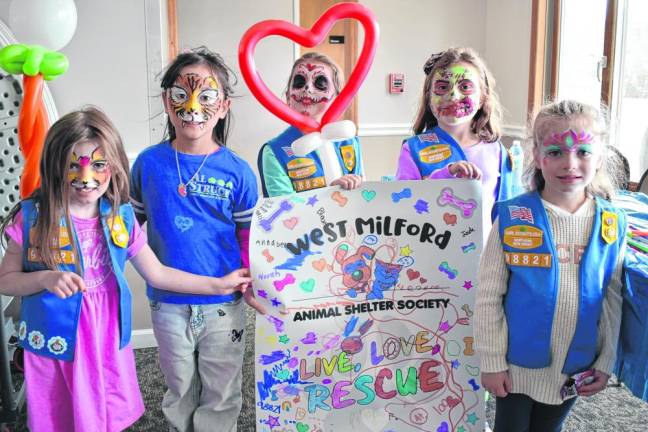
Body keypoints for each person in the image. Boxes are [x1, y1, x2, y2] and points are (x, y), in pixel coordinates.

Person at [0, 107, 255, 432]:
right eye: (72, 166)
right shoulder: (34, 219)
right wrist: (45, 278)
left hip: (103, 337)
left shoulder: (119, 218)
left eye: (99, 164)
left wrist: (218, 285)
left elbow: (158, 274)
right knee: (60, 415)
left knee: (103, 412)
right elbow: (5, 281)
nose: (87, 177)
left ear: (114, 165)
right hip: (57, 341)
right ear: (54, 166)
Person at [129, 47, 261, 432]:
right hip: (168, 304)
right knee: (179, 387)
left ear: (223, 107)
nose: (192, 106)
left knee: (222, 392)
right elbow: (129, 229)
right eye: (180, 94)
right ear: (166, 102)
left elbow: (248, 236)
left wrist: (256, 283)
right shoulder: (149, 165)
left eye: (206, 96)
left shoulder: (238, 172)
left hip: (225, 305)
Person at [474, 100, 627, 432]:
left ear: (600, 156)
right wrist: (491, 362)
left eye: (583, 152)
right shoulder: (513, 217)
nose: (570, 163)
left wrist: (605, 360)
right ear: (537, 155)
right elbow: (488, 297)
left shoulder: (612, 223)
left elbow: (613, 299)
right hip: (516, 366)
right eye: (556, 151)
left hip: (574, 365)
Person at [396, 47, 524, 234]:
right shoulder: (413, 150)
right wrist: (446, 174)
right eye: (442, 87)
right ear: (428, 97)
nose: (453, 96)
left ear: (481, 98)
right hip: (431, 254)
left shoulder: (497, 151)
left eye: (464, 87)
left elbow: (509, 208)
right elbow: (401, 205)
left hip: (486, 257)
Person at [258, 52, 363, 197]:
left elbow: (363, 196)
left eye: (320, 84)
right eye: (299, 82)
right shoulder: (275, 151)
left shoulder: (350, 142)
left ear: (338, 98)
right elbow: (284, 210)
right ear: (288, 96)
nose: (307, 89)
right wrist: (328, 195)